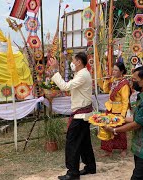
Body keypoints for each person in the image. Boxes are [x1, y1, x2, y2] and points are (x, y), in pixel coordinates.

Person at [103, 66, 143, 180]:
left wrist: (114, 129)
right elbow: (137, 117)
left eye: (135, 80)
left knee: (138, 176)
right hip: (142, 144)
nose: (132, 82)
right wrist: (116, 118)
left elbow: (137, 123)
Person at [50, 52, 96, 180]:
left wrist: (54, 70)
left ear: (79, 62)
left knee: (72, 143)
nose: (72, 63)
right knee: (84, 142)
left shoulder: (82, 75)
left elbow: (65, 87)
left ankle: (73, 173)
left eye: (74, 61)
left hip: (81, 115)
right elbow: (70, 73)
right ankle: (90, 166)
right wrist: (58, 66)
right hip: (83, 113)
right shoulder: (81, 73)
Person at [101, 62, 130, 157]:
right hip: (110, 108)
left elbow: (126, 101)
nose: (113, 72)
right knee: (106, 128)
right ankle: (108, 150)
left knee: (119, 130)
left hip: (118, 110)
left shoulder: (124, 84)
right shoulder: (113, 80)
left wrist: (123, 114)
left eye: (116, 70)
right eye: (113, 69)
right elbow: (105, 90)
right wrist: (106, 81)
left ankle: (123, 149)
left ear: (121, 71)